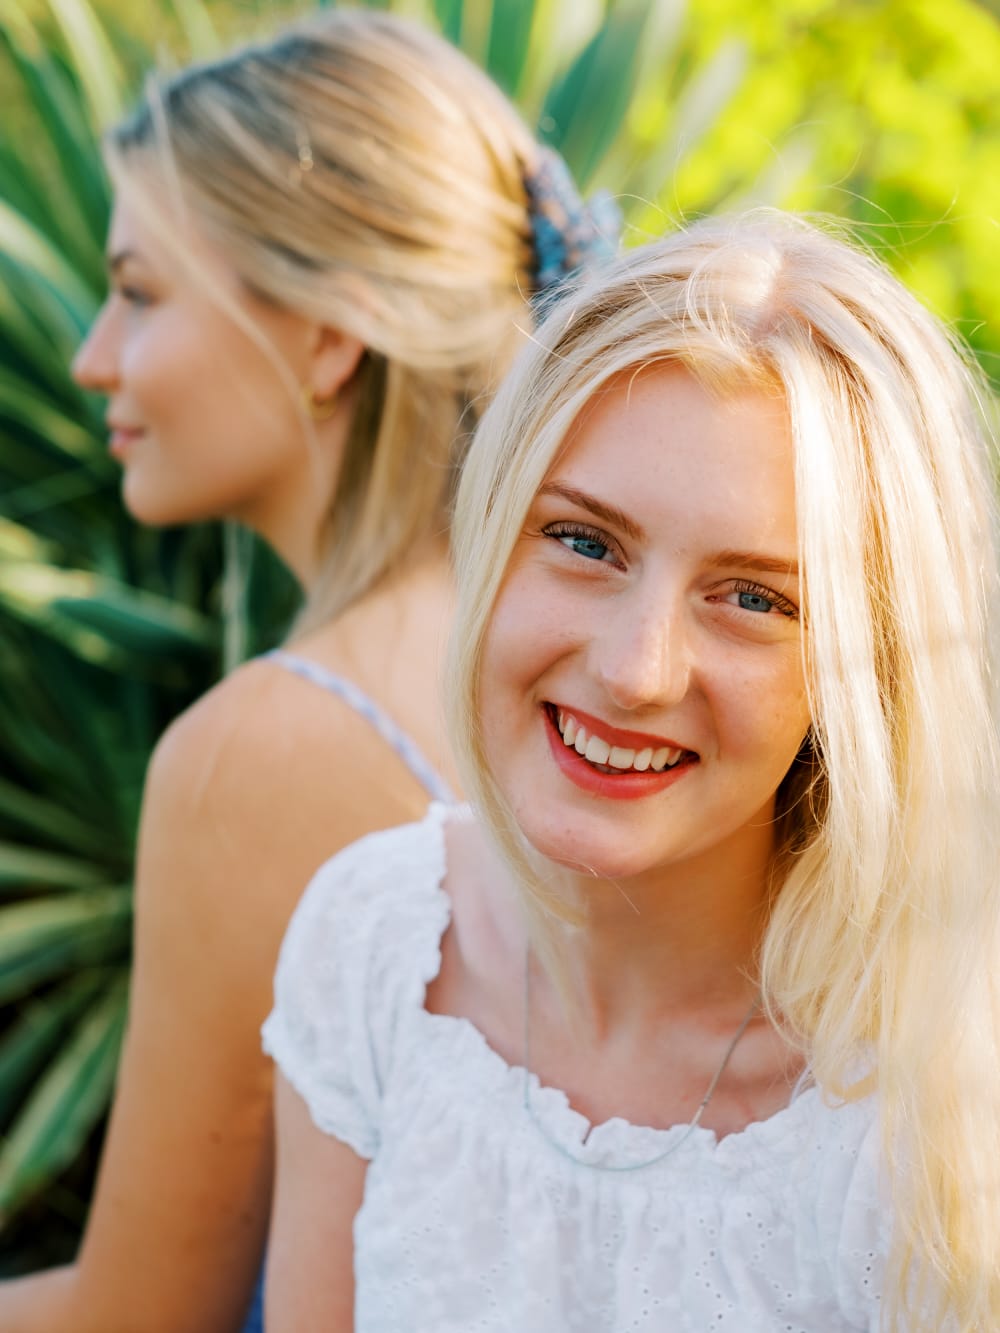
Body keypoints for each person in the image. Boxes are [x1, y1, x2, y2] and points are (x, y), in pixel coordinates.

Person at [263, 211, 1000, 1331]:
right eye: (584, 541)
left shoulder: (930, 1119)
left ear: (865, 668)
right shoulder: (376, 942)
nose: (636, 670)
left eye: (753, 598)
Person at [0, 11, 616, 1333]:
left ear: (332, 334)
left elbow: (142, 1315)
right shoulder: (600, 665)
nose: (91, 354)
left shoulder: (265, 749)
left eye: (142, 290)